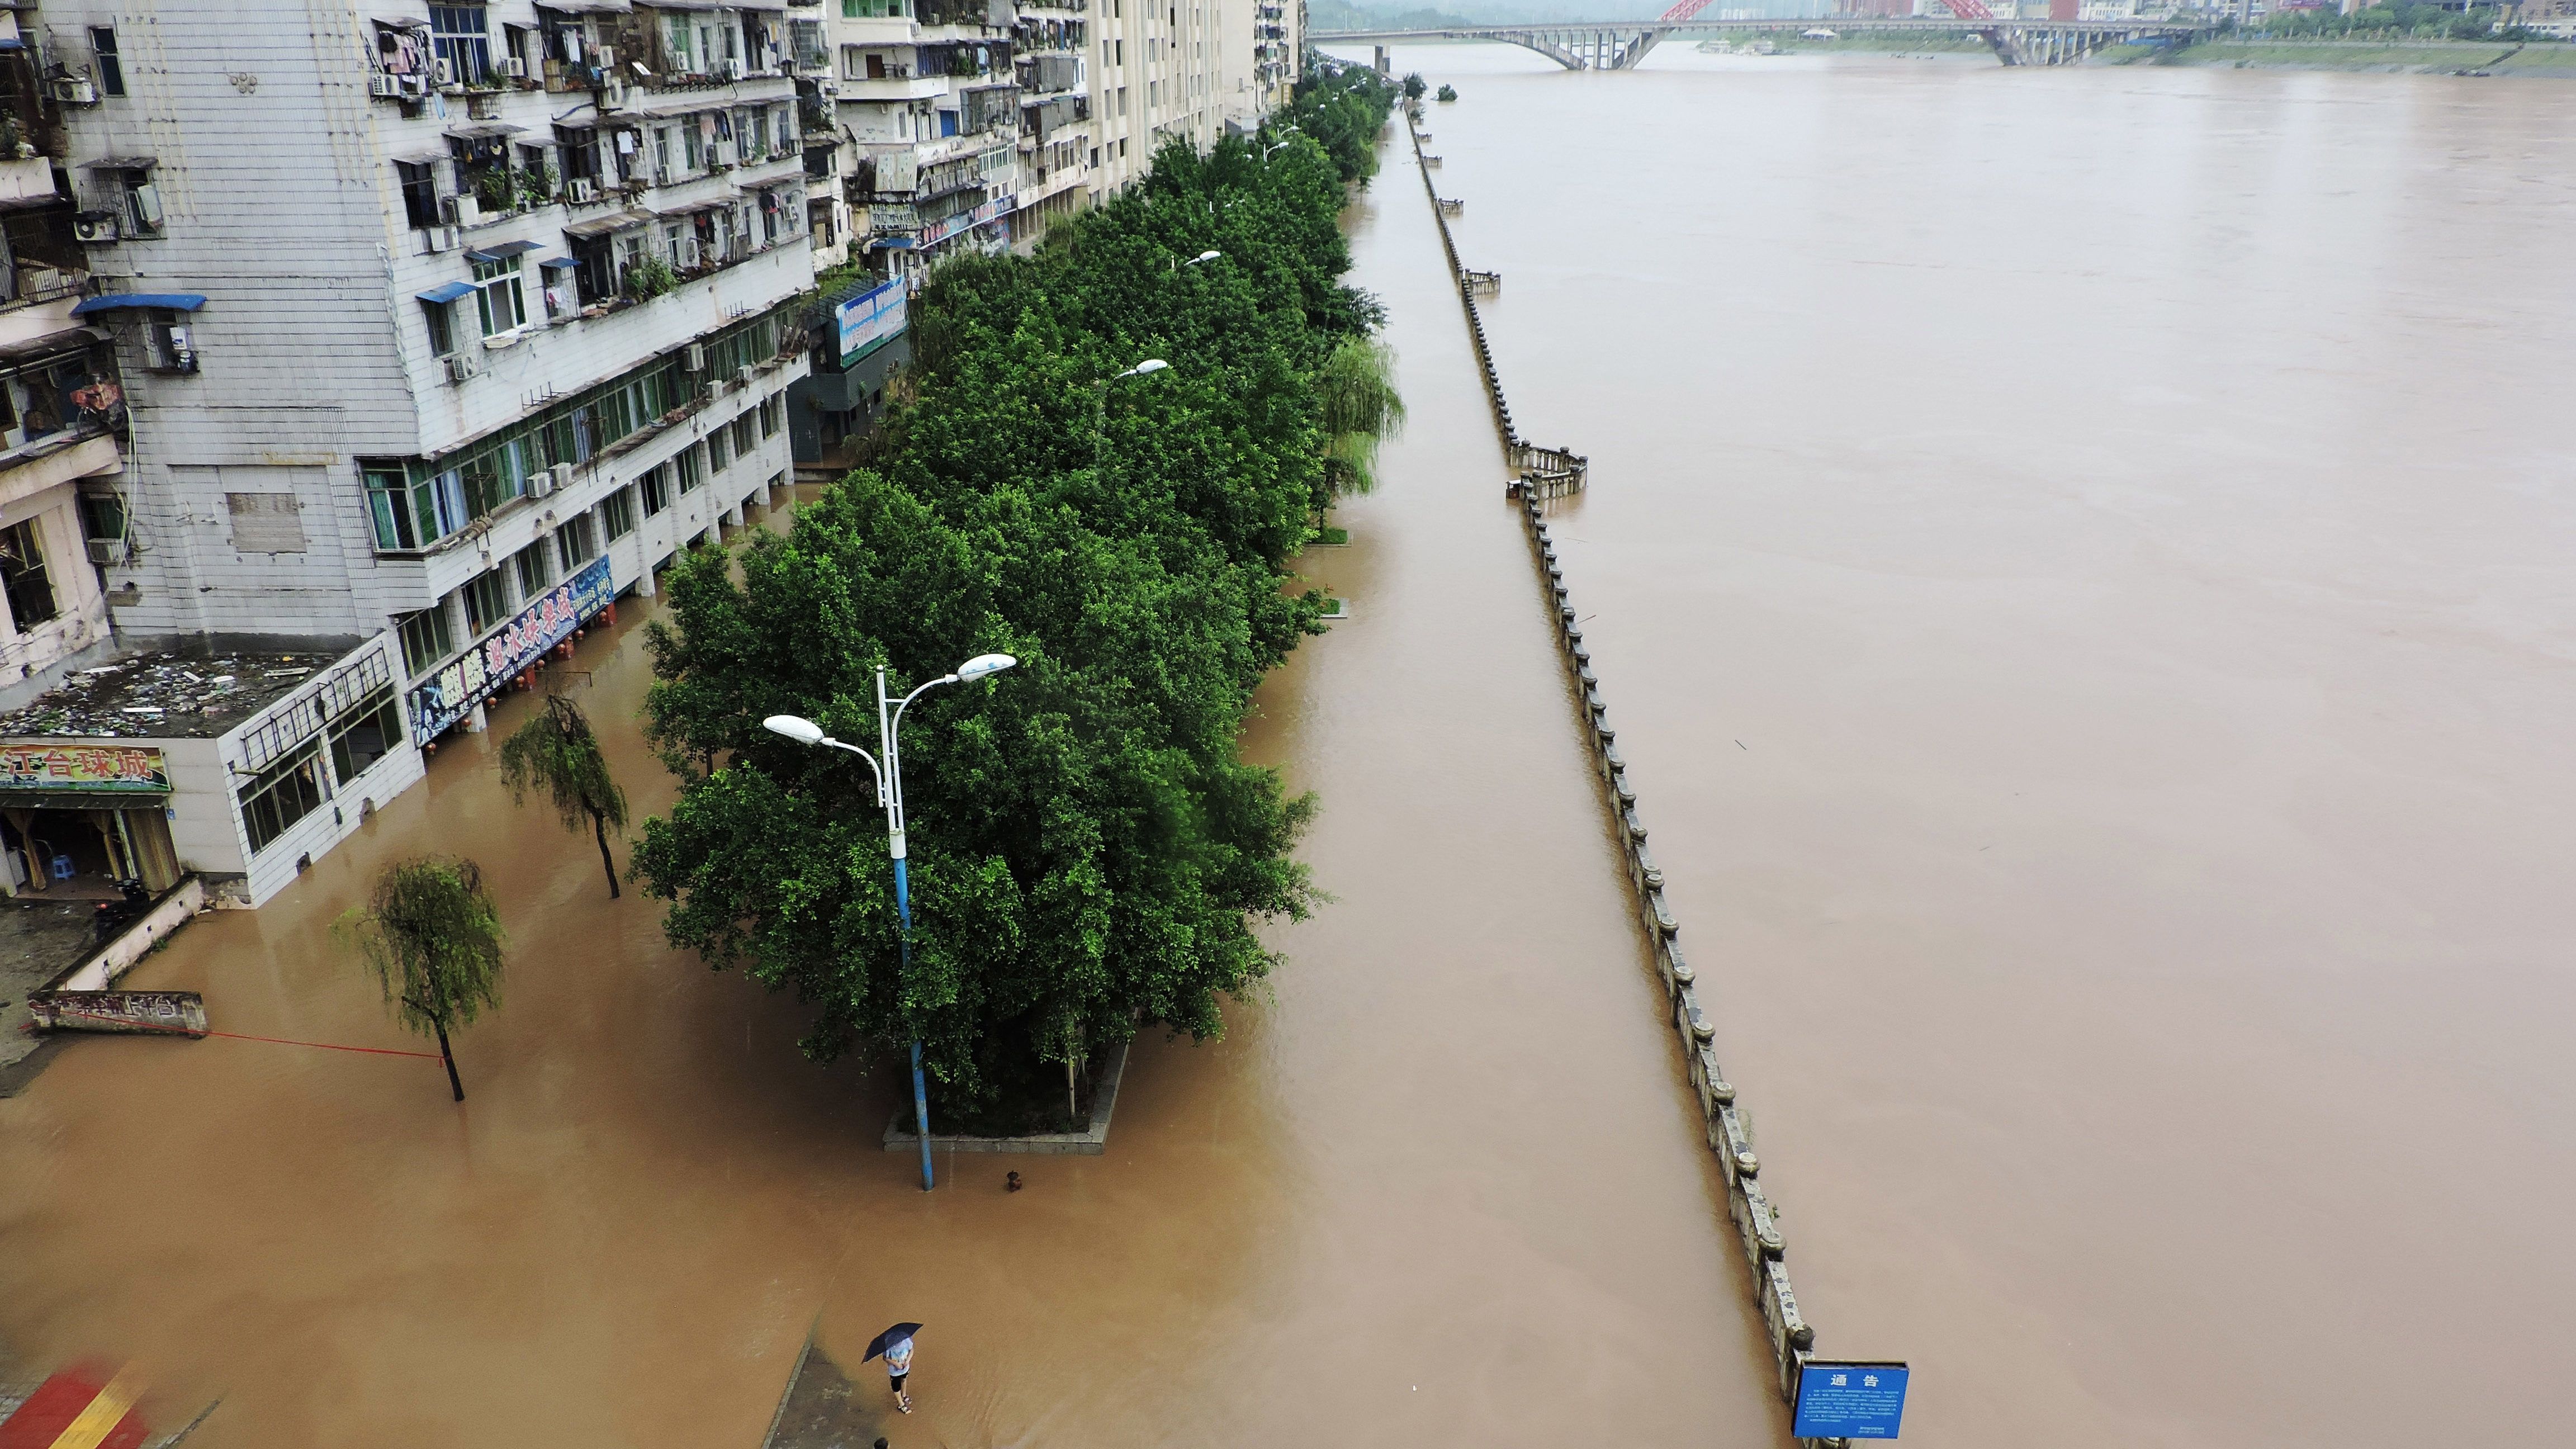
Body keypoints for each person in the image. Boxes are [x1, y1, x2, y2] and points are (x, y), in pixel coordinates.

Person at [886, 1332, 914, 1413]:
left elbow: (912, 1350)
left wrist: (908, 1360)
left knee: (904, 1379)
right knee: (896, 1387)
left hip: (905, 1368)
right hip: (894, 1372)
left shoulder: (906, 1340)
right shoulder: (889, 1346)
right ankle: (901, 1404)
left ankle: (904, 1395)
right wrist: (895, 1364)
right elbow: (886, 1358)